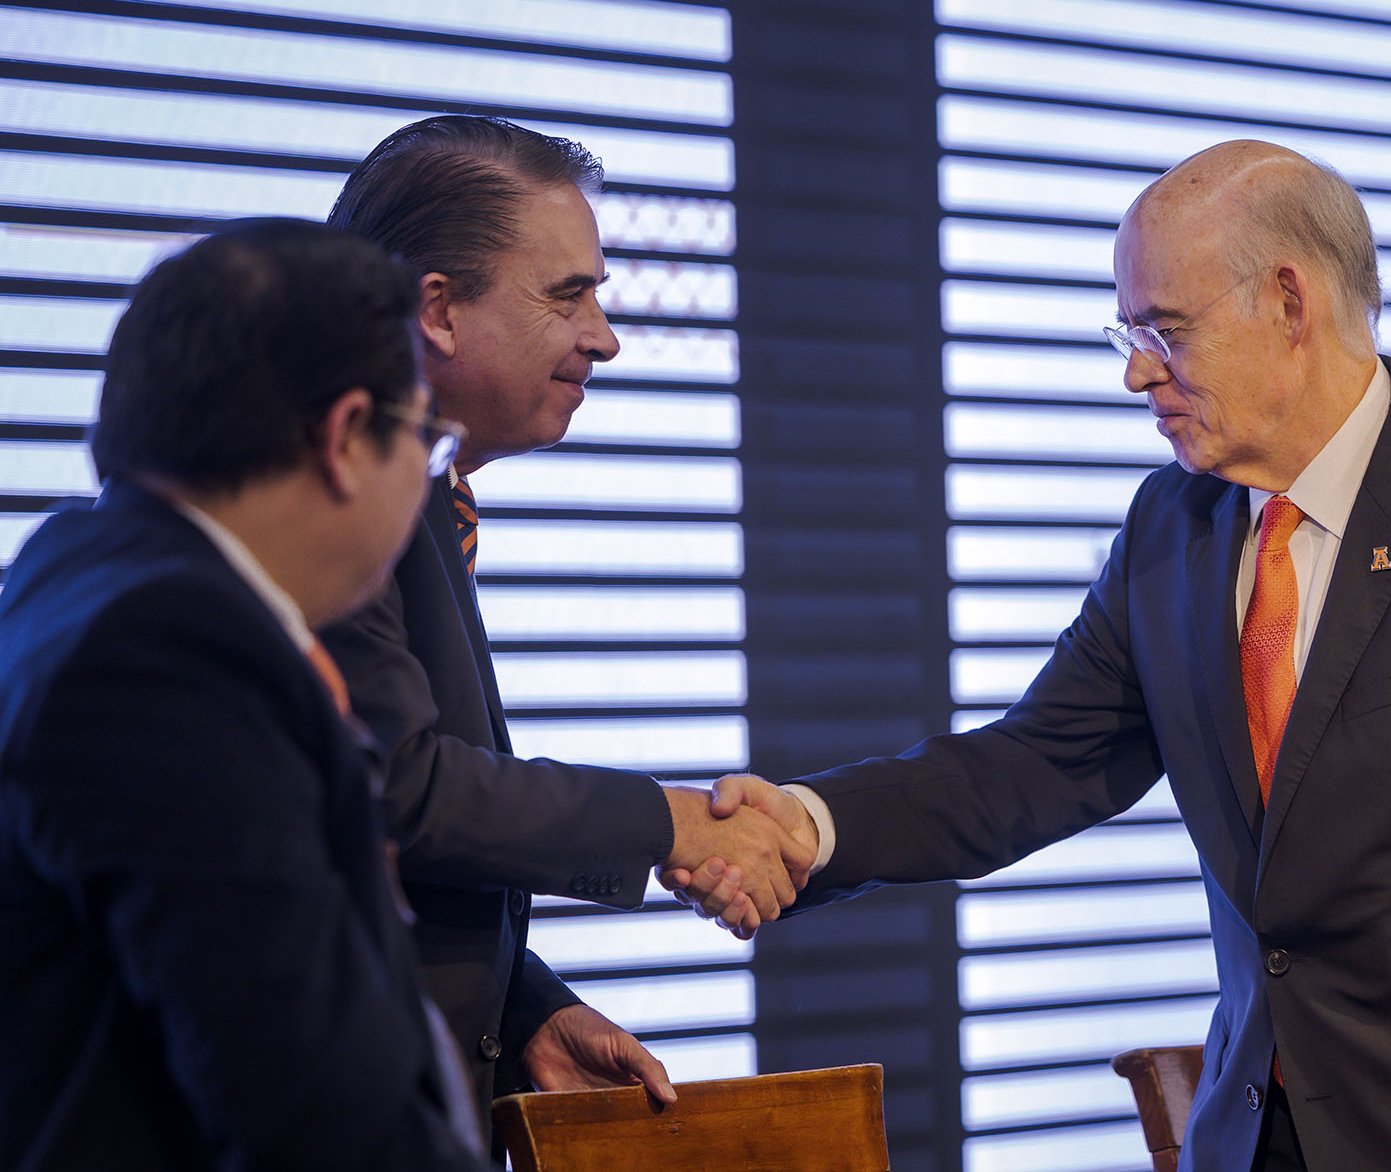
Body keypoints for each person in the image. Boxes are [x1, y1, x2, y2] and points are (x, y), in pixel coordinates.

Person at [677, 141, 1391, 1172]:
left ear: (1288, 303)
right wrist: (808, 827)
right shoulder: (1171, 526)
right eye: (1126, 331)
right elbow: (1034, 764)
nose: (1135, 371)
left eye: (1163, 330)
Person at [320, 114, 807, 1140]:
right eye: (567, 294)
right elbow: (397, 789)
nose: (604, 334)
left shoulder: (426, 497)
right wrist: (670, 820)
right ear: (437, 310)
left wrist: (527, 1011)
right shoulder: (321, 494)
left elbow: (388, 871)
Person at [0, 219, 490, 1171]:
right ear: (347, 437)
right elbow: (313, 1114)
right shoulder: (170, 661)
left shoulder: (74, 574)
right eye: (425, 441)